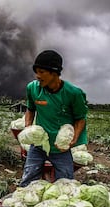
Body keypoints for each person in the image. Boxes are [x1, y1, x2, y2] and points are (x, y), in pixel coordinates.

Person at [19, 49, 88, 187]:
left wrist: (73, 140)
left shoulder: (73, 93)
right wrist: (28, 127)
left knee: (65, 184)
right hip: (38, 146)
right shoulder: (33, 88)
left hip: (60, 149)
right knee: (27, 180)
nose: (37, 76)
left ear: (54, 72)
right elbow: (30, 109)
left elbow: (80, 118)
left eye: (42, 72)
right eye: (36, 72)